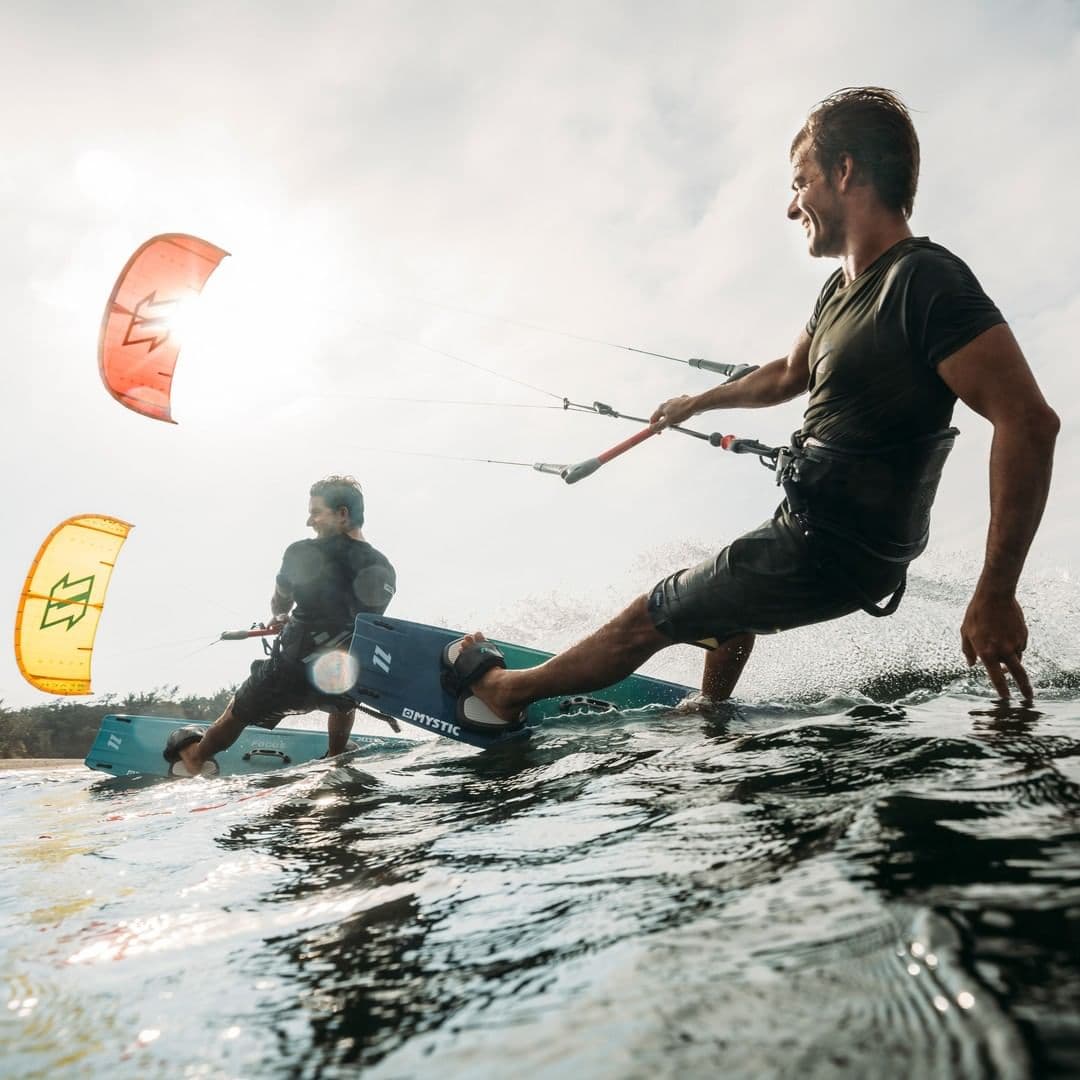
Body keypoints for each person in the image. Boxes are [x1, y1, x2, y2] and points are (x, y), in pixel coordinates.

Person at [444, 86, 1059, 731]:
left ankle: (504, 695)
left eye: (801, 182)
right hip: (824, 534)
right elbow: (787, 374)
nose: (793, 206)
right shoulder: (840, 291)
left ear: (844, 170)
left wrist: (996, 592)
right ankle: (711, 712)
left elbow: (1028, 421)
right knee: (728, 597)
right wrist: (696, 402)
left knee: (648, 615)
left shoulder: (922, 280)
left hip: (828, 544)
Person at [166, 475, 397, 776]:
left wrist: (279, 616)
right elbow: (362, 625)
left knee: (238, 710)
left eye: (316, 512)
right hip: (338, 680)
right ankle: (336, 757)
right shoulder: (384, 569)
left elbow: (281, 601)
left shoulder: (302, 552)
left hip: (290, 672)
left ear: (342, 514)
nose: (309, 521)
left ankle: (197, 758)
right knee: (345, 683)